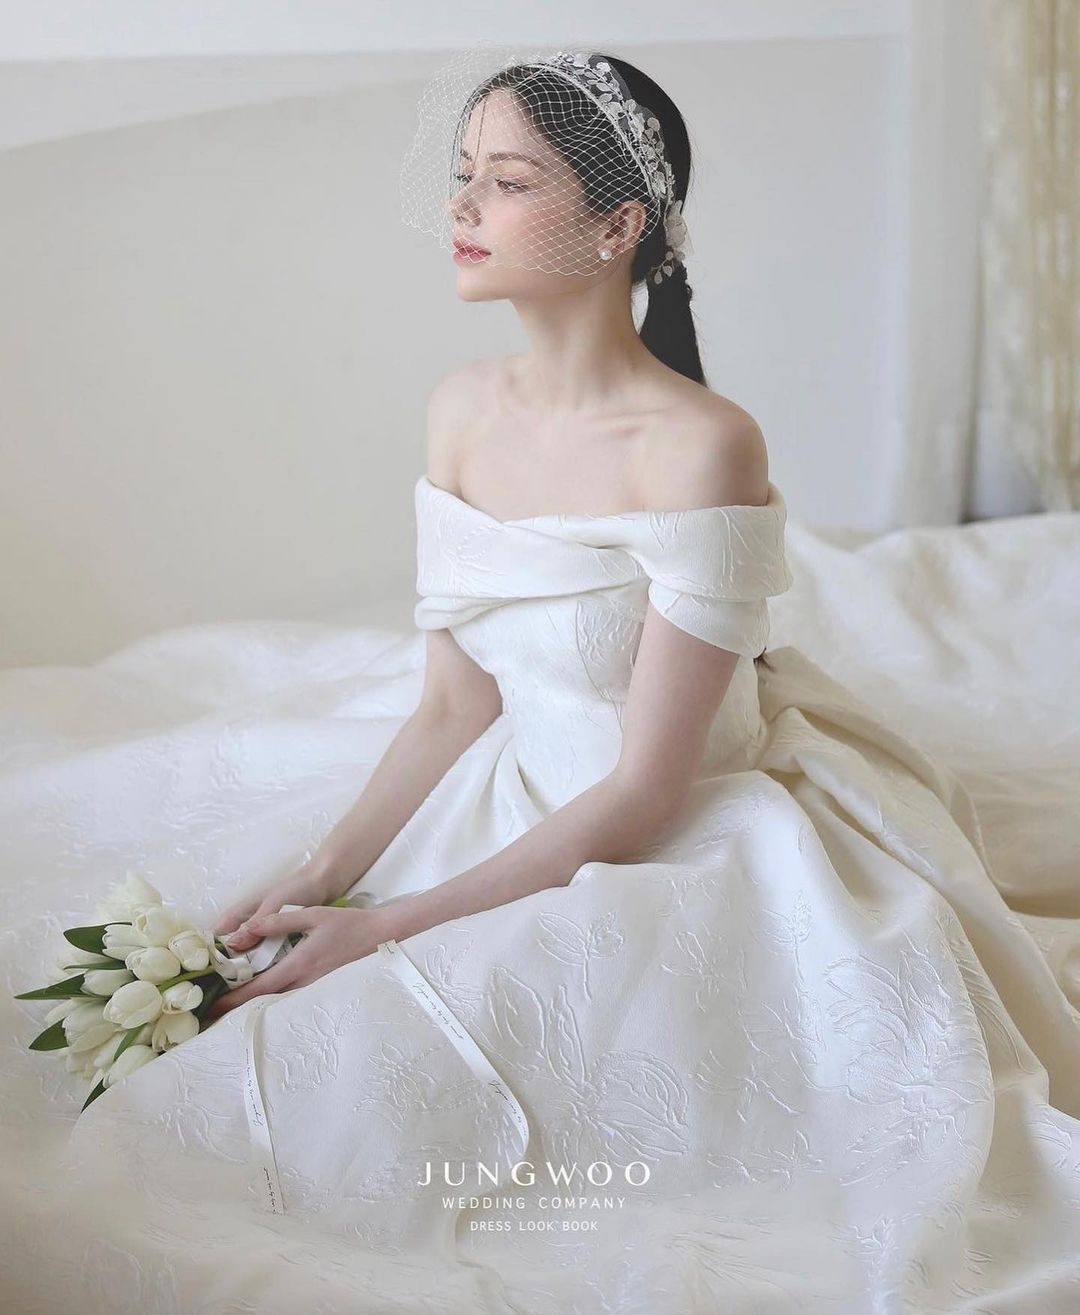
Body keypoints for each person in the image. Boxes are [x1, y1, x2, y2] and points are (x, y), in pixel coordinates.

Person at [61, 46, 1080, 1312]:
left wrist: (386, 928)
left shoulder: (701, 445)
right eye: (463, 175)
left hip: (662, 828)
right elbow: (455, 702)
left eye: (507, 181)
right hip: (509, 786)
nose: (462, 206)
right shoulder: (459, 409)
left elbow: (647, 790)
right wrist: (325, 875)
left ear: (617, 225)